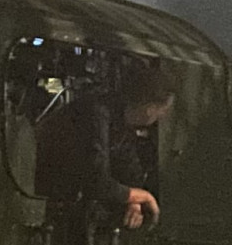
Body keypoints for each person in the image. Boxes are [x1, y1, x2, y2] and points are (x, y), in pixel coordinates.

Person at [35, 62, 175, 229]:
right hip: (50, 207)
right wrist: (142, 196)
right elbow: (95, 179)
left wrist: (134, 201)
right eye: (163, 109)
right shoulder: (96, 114)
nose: (163, 115)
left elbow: (130, 172)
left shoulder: (122, 126)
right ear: (150, 108)